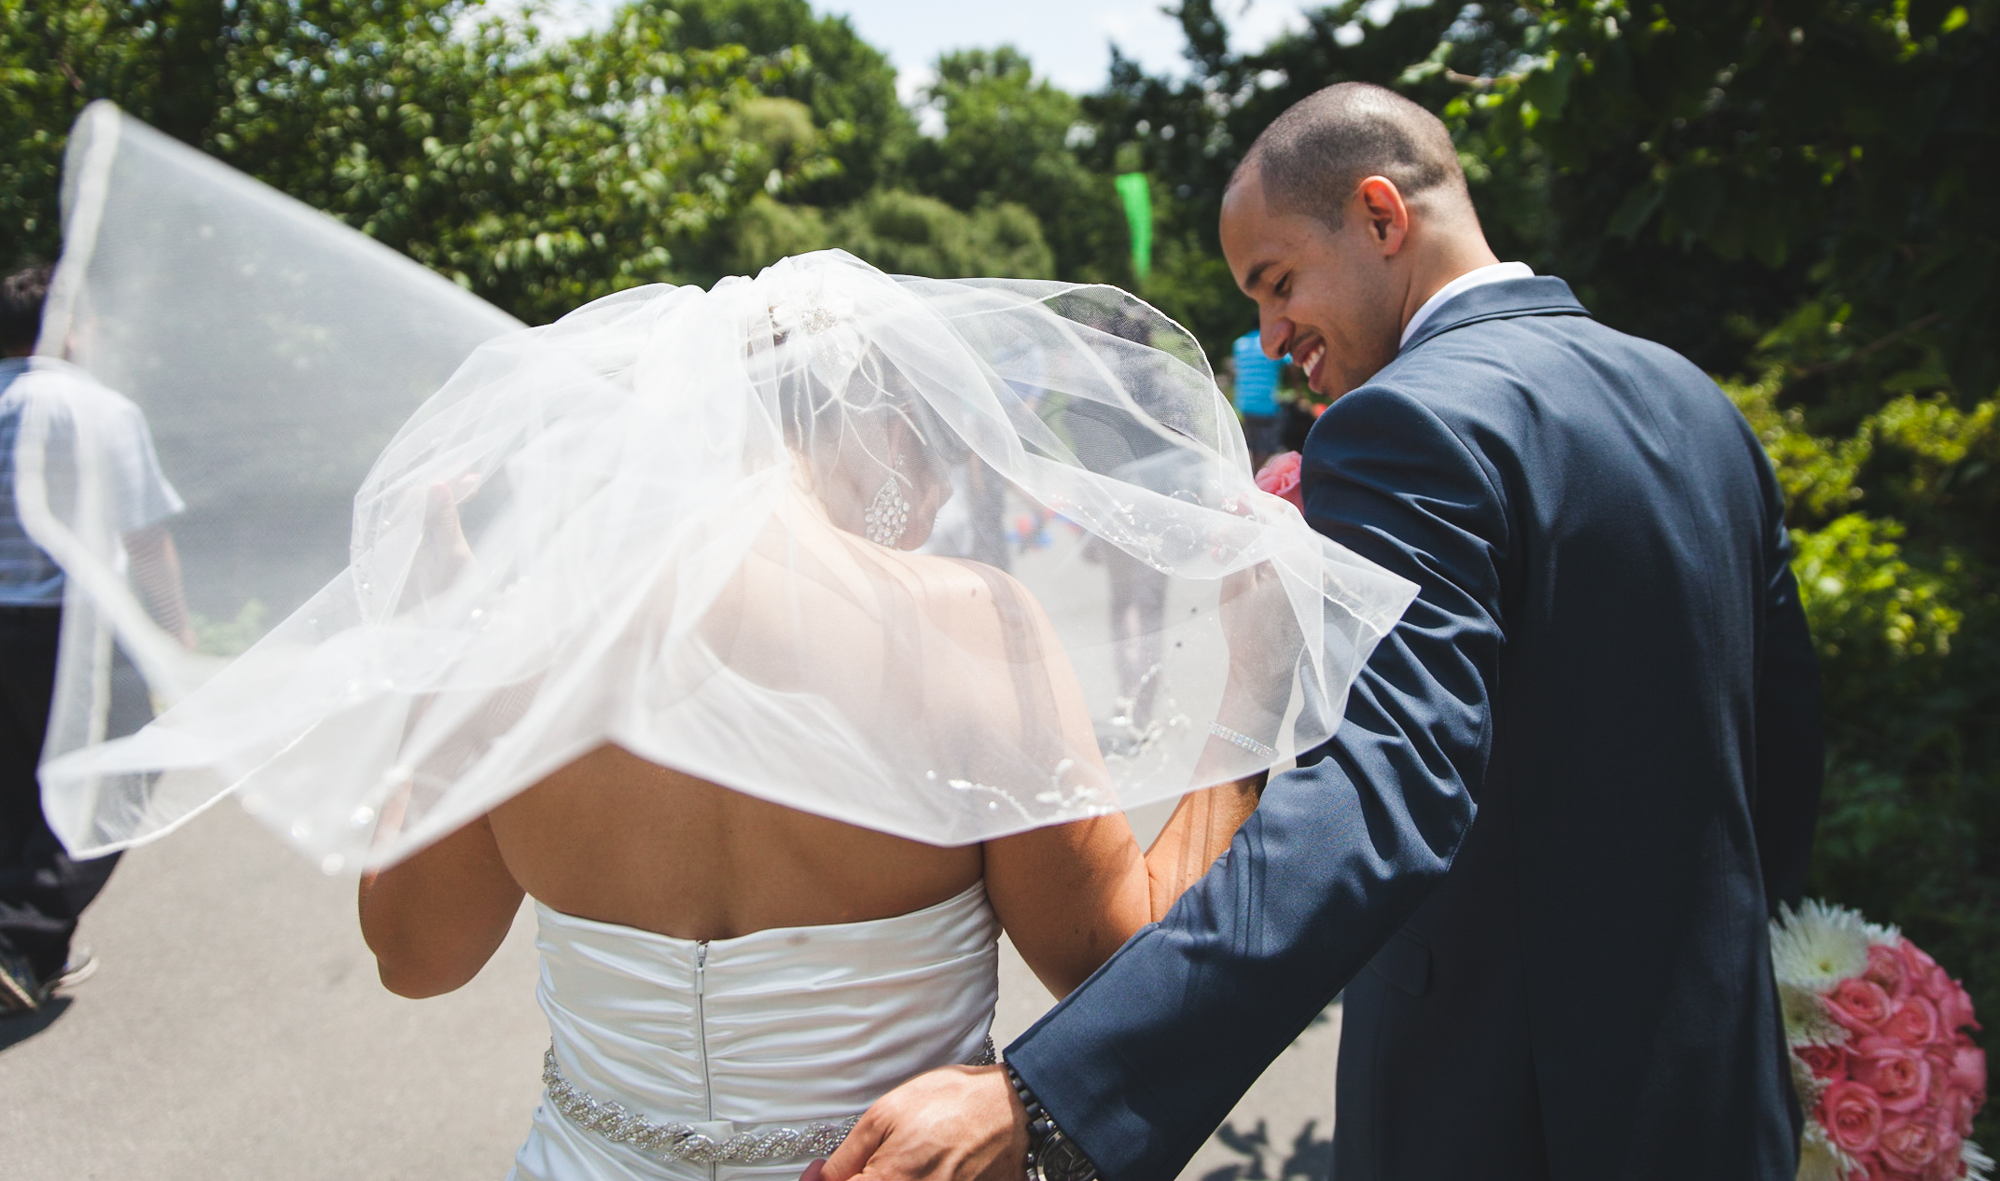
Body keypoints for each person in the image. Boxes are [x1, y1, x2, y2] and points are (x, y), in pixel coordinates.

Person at [38, 127, 1416, 1181]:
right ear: (865, 425)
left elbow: (417, 953)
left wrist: (444, 652)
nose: (937, 483)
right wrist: (1240, 710)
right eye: (928, 435)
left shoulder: (528, 629)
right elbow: (1116, 973)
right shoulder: (969, 623)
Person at [820, 82, 1825, 1181]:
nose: (1268, 333)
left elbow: (1380, 789)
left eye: (1277, 281)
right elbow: (1778, 753)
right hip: (1719, 1090)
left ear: (1381, 216)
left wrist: (1053, 1089)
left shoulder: (1407, 423)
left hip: (1497, 1104)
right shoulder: (1695, 402)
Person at [0, 263, 190, 1014]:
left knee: (16, 786)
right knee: (120, 777)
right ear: (71, 329)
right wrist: (174, 636)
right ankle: (22, 934)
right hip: (71, 629)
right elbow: (144, 538)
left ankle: (26, 946)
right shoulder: (98, 409)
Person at [1229, 328, 1284, 471]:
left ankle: (1248, 475)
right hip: (1265, 403)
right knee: (1268, 447)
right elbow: (1291, 364)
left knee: (1251, 445)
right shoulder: (1271, 345)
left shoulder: (1240, 344)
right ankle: (1253, 477)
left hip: (1244, 402)